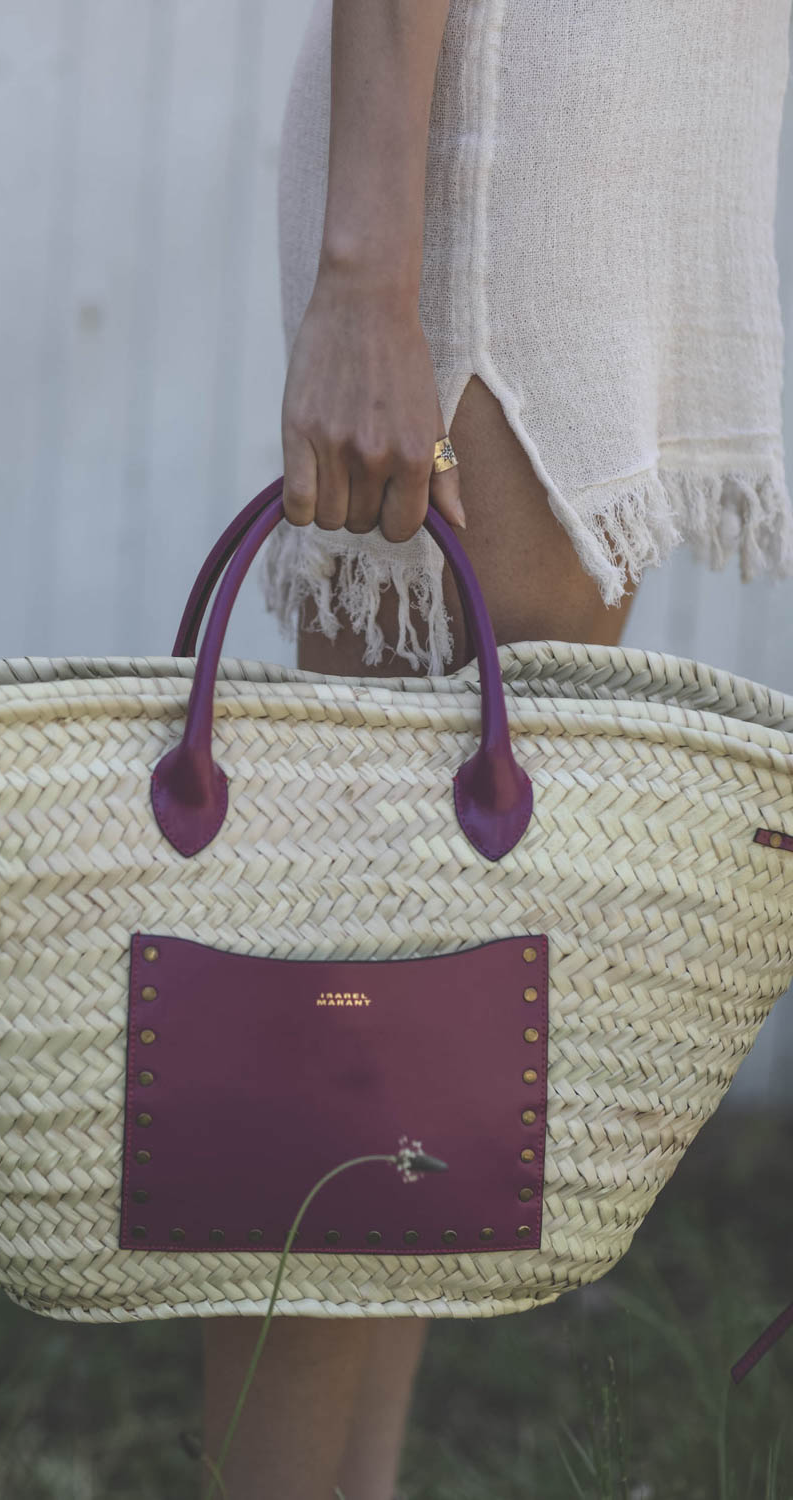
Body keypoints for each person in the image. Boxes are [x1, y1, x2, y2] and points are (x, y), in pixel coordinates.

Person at [201, 1, 793, 1496]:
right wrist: (366, 281)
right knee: (366, 1000)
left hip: (611, 163)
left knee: (431, 1005)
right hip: (497, 181)